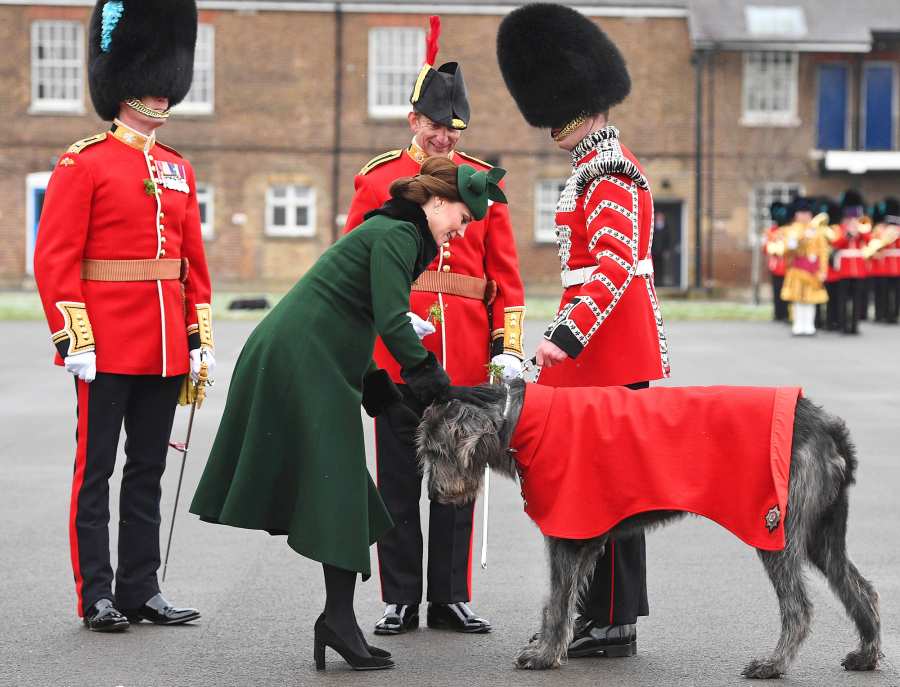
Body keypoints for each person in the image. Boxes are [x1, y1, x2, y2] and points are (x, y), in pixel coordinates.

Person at [190, 157, 507, 671]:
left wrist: (376, 383)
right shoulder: (399, 236)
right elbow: (388, 317)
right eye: (463, 219)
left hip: (317, 354)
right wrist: (431, 380)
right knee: (337, 483)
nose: (463, 231)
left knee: (346, 488)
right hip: (301, 357)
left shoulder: (397, 232)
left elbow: (354, 311)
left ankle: (337, 619)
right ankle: (337, 621)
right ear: (439, 202)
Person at [497, 3, 670, 660]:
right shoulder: (591, 166)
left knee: (615, 488)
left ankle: (616, 619)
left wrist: (565, 339)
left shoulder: (612, 169)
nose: (554, 130)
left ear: (587, 107)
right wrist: (562, 334)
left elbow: (617, 268)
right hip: (590, 351)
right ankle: (595, 613)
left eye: (560, 117)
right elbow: (583, 274)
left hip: (608, 351)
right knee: (591, 488)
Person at [32, 0, 212, 632]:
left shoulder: (179, 168)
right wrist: (72, 336)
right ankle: (98, 594)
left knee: (148, 473)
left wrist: (197, 338)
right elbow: (55, 260)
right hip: (104, 345)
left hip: (164, 347)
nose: (160, 94)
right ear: (122, 85)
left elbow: (191, 263)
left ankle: (142, 588)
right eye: (149, 81)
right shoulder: (84, 163)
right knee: (97, 473)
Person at [344, 16, 524, 636]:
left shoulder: (482, 185)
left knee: (458, 478)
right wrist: (362, 356)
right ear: (413, 120)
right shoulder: (375, 179)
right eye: (435, 124)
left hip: (466, 356)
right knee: (396, 479)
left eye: (453, 127)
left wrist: (508, 349)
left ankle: (449, 596)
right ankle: (400, 597)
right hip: (398, 356)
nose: (444, 136)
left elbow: (506, 280)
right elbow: (355, 273)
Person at [779, 199, 829, 336]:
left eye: (807, 213)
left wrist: (823, 271)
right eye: (802, 213)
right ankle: (798, 325)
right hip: (797, 269)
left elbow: (823, 253)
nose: (805, 216)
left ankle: (809, 325)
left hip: (813, 270)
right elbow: (787, 251)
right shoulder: (791, 230)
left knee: (810, 300)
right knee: (797, 299)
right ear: (796, 215)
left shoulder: (818, 232)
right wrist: (800, 239)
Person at [763, 201, 790, 322]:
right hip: (776, 265)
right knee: (777, 290)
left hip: (788, 264)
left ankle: (786, 313)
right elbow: (765, 248)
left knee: (787, 291)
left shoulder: (788, 230)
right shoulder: (771, 231)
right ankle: (778, 313)